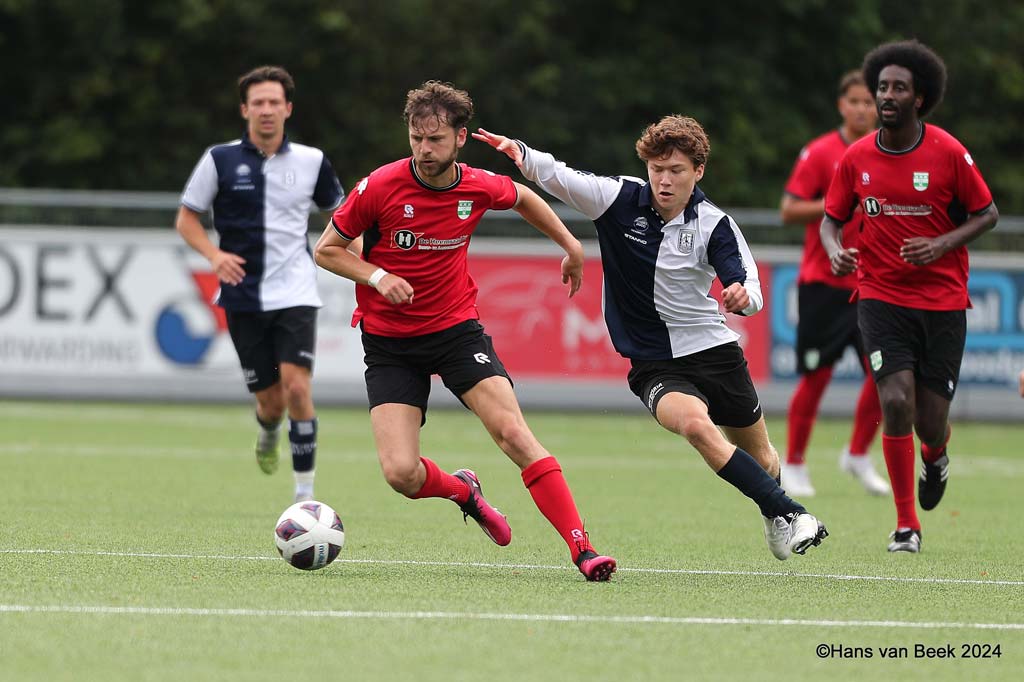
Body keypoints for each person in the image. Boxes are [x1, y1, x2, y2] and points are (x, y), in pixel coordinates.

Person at [474, 116, 829, 561]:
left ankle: (772, 509)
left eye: (676, 171)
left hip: (716, 355)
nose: (664, 180)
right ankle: (793, 513)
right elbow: (560, 176)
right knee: (698, 427)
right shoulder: (618, 199)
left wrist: (743, 296)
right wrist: (520, 153)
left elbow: (748, 283)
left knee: (762, 457)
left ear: (698, 171)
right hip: (655, 365)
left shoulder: (715, 224)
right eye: (657, 169)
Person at [313, 81, 616, 581]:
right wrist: (377, 275)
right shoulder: (380, 187)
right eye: (416, 139)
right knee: (401, 475)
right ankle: (463, 491)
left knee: (513, 433)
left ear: (460, 138)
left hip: (457, 332)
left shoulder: (476, 184)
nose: (424, 150)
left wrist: (572, 244)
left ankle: (583, 549)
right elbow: (327, 249)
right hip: (390, 344)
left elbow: (522, 196)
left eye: (434, 139)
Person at [820, 40, 999, 553]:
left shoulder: (948, 152)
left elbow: (988, 214)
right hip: (880, 296)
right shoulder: (856, 158)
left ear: (920, 98)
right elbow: (832, 221)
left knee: (929, 420)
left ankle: (936, 455)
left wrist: (941, 244)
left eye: (899, 88)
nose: (887, 95)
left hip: (943, 302)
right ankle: (906, 525)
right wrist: (836, 251)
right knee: (894, 401)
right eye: (882, 87)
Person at [176, 66, 344, 503]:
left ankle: (304, 498)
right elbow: (186, 219)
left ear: (287, 109)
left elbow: (343, 220)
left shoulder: (312, 161)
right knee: (271, 403)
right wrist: (214, 256)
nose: (266, 110)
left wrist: (371, 264)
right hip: (242, 296)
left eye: (274, 102)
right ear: (244, 110)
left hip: (296, 291)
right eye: (258, 102)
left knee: (298, 388)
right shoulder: (219, 159)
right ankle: (268, 430)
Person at [779, 71, 889, 497]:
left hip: (875, 285)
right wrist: (839, 202)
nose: (863, 108)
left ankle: (858, 454)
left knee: (887, 375)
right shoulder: (822, 152)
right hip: (824, 283)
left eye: (869, 102)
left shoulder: (889, 153)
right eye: (855, 101)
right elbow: (788, 210)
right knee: (817, 377)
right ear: (842, 105)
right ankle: (794, 464)